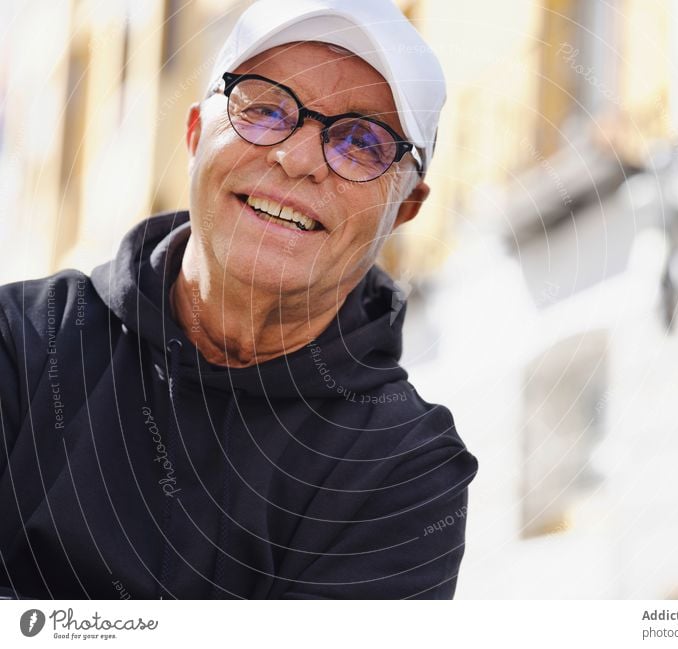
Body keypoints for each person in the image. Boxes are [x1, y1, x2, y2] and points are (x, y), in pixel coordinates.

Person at [0, 0, 477, 599]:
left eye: (362, 142)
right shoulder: (20, 342)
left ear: (403, 209)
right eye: (268, 108)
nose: (299, 159)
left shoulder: (406, 467)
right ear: (197, 132)